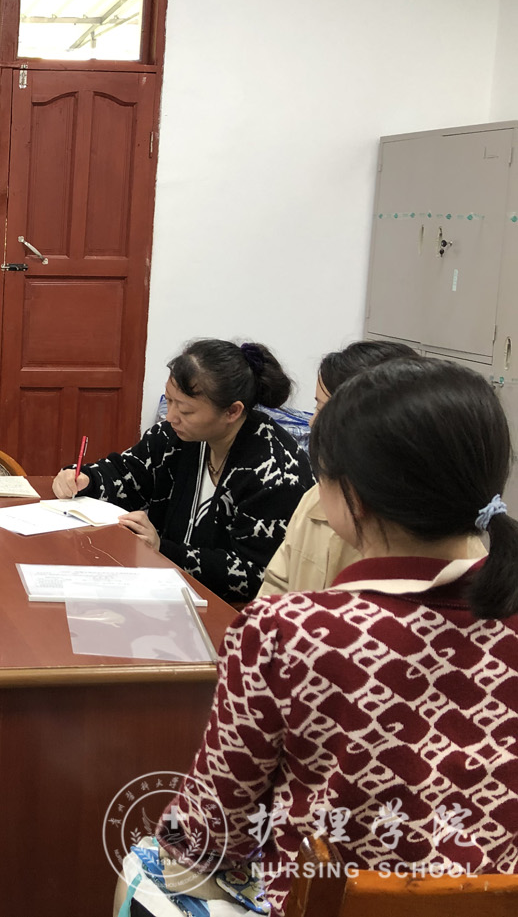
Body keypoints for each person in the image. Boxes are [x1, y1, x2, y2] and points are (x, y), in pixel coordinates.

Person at [118, 356, 518, 917]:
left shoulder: (286, 633)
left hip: (325, 900)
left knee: (146, 864)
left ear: (352, 497)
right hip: (489, 902)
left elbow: (210, 829)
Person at [52, 339, 312, 603]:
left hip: (231, 611)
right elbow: (128, 474)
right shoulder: (175, 436)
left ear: (232, 411)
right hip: (165, 592)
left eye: (185, 410)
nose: (171, 417)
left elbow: (253, 575)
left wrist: (163, 549)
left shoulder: (275, 471)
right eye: (170, 401)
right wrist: (86, 480)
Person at [256, 339, 485, 597]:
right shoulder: (316, 499)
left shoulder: (440, 543)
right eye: (316, 407)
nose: (312, 423)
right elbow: (276, 585)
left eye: (324, 410)